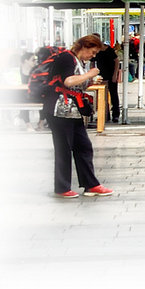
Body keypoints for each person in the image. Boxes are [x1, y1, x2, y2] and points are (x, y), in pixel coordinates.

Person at [47, 35, 114, 198]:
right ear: (83, 47)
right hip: (59, 109)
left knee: (83, 146)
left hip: (72, 110)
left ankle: (91, 184)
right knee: (64, 149)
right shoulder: (66, 58)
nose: (93, 55)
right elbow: (68, 81)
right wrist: (90, 74)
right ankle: (62, 187)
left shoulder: (78, 61)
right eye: (92, 52)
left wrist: (89, 77)